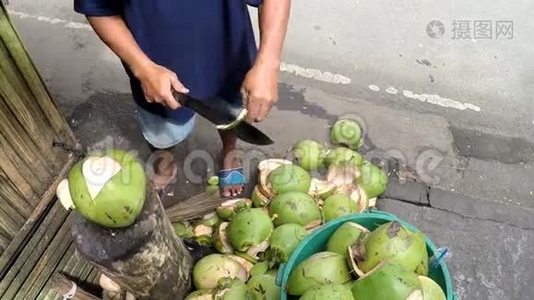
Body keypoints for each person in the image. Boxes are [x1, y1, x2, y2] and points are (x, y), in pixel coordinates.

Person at [74, 0, 291, 197]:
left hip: (226, 50)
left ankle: (228, 154)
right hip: (156, 64)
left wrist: (268, 63)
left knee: (230, 113)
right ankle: (165, 163)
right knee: (162, 127)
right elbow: (99, 8)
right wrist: (142, 67)